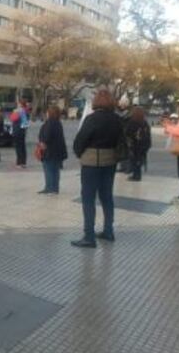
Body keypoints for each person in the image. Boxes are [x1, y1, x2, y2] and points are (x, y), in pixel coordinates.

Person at [71, 90, 123, 248]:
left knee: (88, 198)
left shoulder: (92, 119)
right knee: (107, 196)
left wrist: (80, 153)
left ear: (96, 102)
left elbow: (80, 140)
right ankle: (108, 230)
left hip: (91, 161)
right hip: (110, 161)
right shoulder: (117, 119)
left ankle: (89, 236)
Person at [37, 105, 67, 194]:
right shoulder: (58, 123)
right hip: (58, 151)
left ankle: (50, 188)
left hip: (49, 150)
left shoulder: (50, 123)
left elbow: (46, 136)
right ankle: (54, 188)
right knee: (55, 170)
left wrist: (42, 142)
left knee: (48, 169)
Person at [125, 106, 152, 182]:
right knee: (139, 159)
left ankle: (135, 175)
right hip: (144, 145)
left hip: (135, 144)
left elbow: (128, 132)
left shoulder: (132, 122)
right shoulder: (144, 122)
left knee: (134, 159)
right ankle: (138, 174)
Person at [11, 99, 30, 168]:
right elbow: (26, 122)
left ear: (21, 104)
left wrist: (15, 112)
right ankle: (23, 163)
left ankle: (19, 163)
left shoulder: (19, 111)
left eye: (18, 104)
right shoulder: (26, 111)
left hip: (17, 130)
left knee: (18, 147)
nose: (17, 105)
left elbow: (13, 119)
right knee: (22, 147)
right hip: (23, 131)